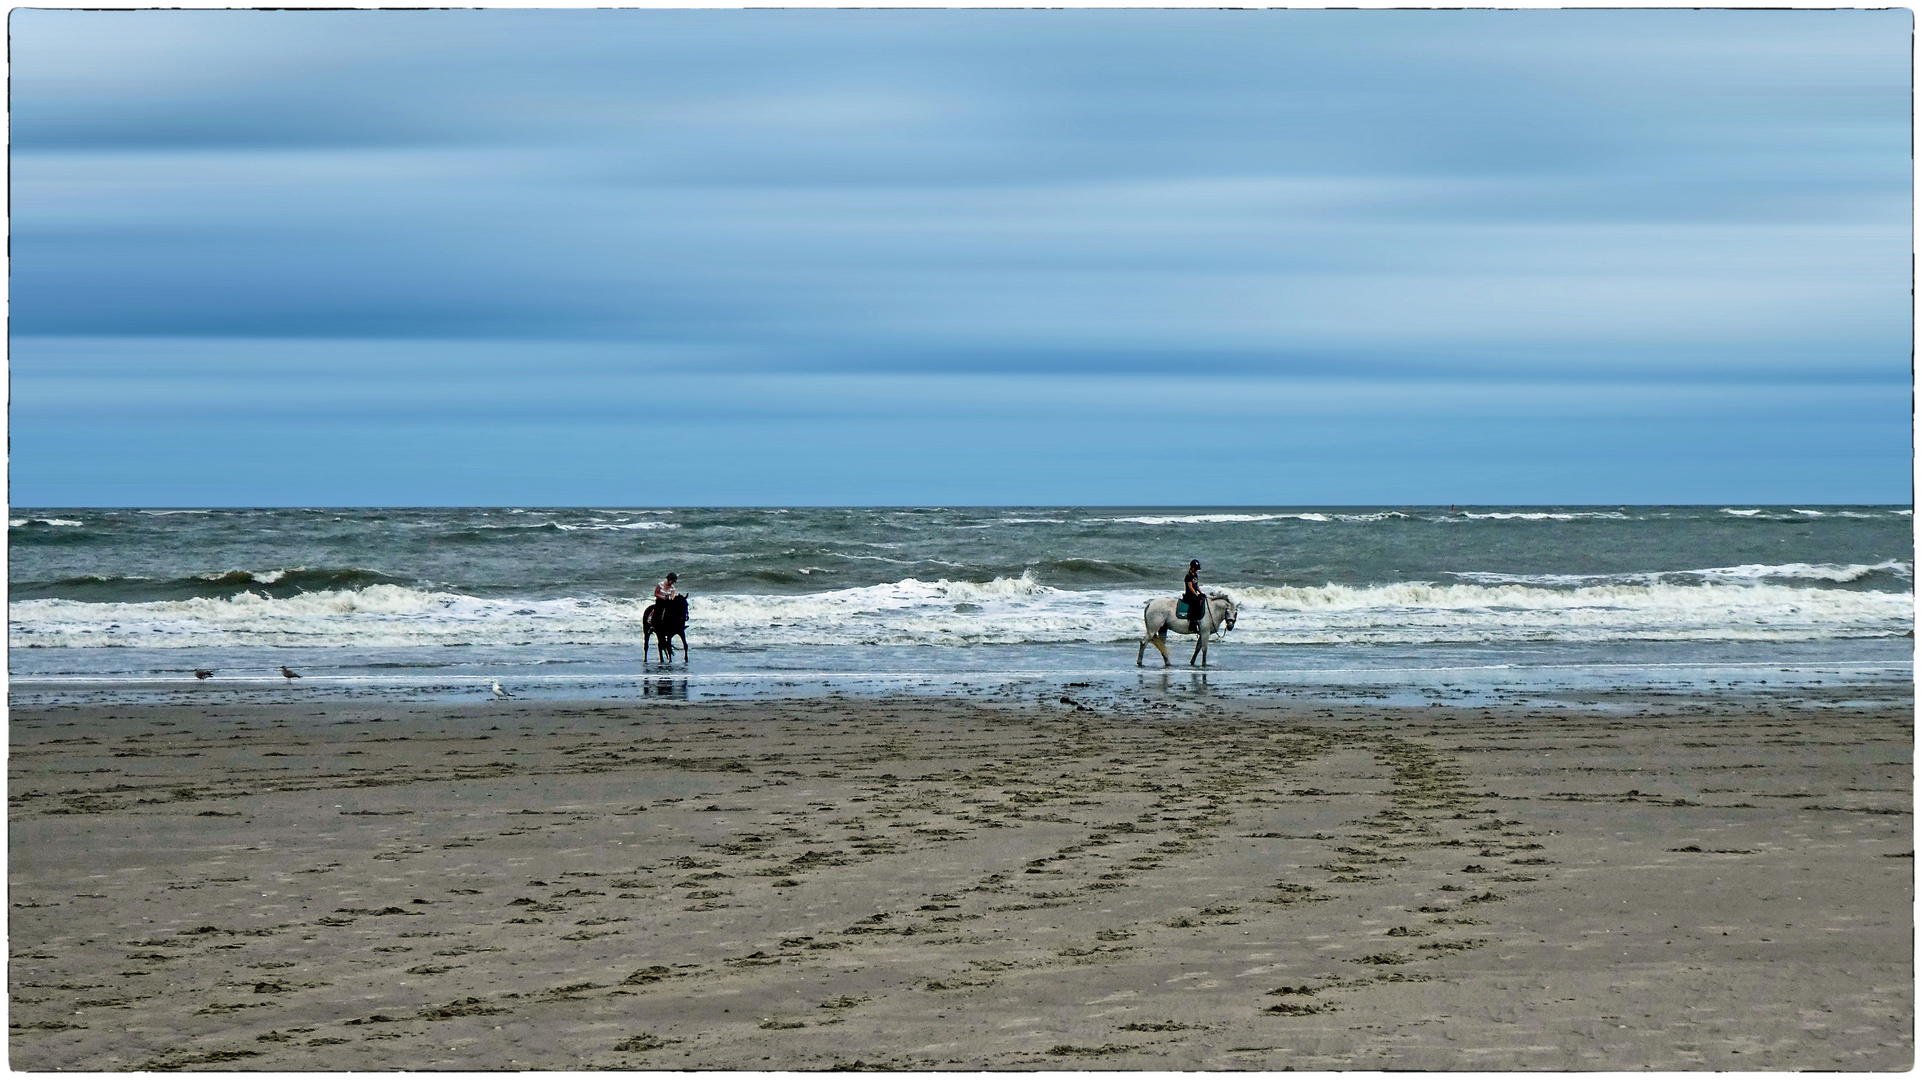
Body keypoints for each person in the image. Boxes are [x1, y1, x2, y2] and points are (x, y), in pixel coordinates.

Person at [1181, 560, 1206, 630]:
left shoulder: (1195, 575)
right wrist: (1196, 594)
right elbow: (1190, 586)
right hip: (1189, 595)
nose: (1196, 570)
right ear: (1192, 568)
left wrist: (1201, 593)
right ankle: (1192, 623)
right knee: (1195, 604)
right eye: (1195, 569)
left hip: (1194, 594)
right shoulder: (1188, 576)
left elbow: (1196, 586)